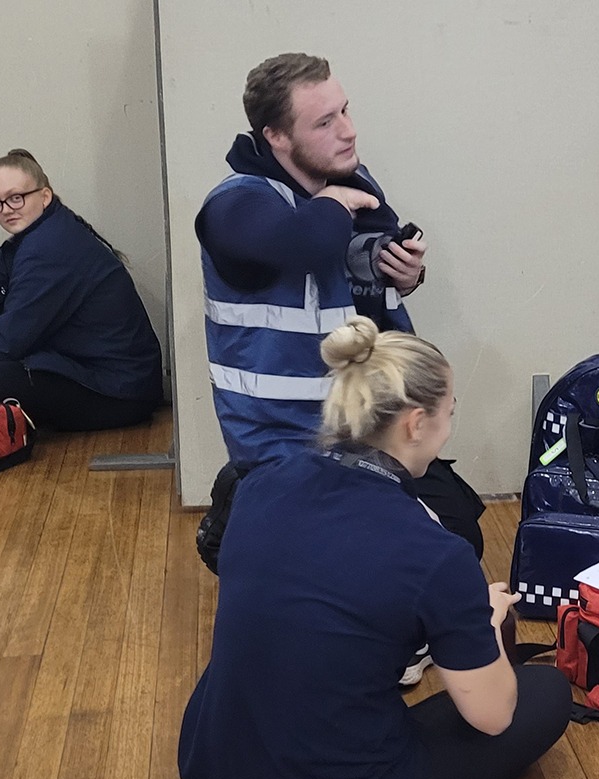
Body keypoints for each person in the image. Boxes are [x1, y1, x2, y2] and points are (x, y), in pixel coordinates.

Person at [178, 316, 572, 779]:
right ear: (415, 424)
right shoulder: (436, 552)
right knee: (547, 695)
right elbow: (492, 717)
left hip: (213, 770)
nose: (450, 425)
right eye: (449, 412)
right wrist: (483, 622)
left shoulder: (262, 482)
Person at [194, 52, 484, 580]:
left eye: (345, 111)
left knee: (456, 532)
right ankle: (238, 515)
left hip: (366, 435)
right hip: (285, 447)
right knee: (350, 567)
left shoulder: (347, 181)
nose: (348, 132)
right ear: (276, 136)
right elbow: (301, 246)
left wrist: (404, 276)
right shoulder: (235, 206)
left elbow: (352, 295)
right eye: (324, 122)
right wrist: (334, 202)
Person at [0, 149, 162, 431]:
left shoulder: (49, 249)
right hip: (84, 365)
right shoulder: (43, 230)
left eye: (16, 198)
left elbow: (10, 342)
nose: (6, 209)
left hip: (119, 390)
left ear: (44, 195)